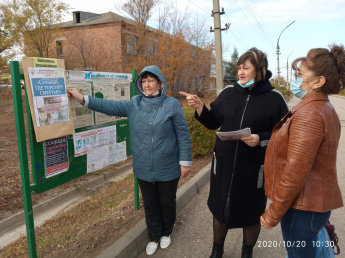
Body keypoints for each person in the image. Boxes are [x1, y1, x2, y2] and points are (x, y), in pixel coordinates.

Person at [68, 65, 192, 256]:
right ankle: (154, 236)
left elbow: (182, 133)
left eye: (151, 80)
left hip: (167, 165)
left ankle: (166, 232)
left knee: (167, 201)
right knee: (150, 203)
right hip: (143, 165)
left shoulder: (172, 104)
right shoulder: (134, 103)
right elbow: (109, 106)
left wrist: (185, 161)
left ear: (160, 82)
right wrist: (82, 98)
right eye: (143, 81)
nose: (147, 84)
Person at [180, 48, 289, 258]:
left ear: (259, 70)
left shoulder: (274, 98)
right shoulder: (229, 93)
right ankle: (217, 249)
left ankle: (247, 251)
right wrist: (201, 108)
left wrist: (261, 139)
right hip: (224, 164)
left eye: (246, 68)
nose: (240, 72)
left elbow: (284, 134)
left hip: (254, 167)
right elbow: (214, 122)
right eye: (239, 67)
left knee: (251, 213)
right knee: (220, 209)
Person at [260, 44, 345, 258]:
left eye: (300, 74)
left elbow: (295, 171)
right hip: (310, 205)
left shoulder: (310, 113)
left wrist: (273, 213)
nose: (295, 79)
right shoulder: (324, 108)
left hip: (301, 208)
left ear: (318, 82)